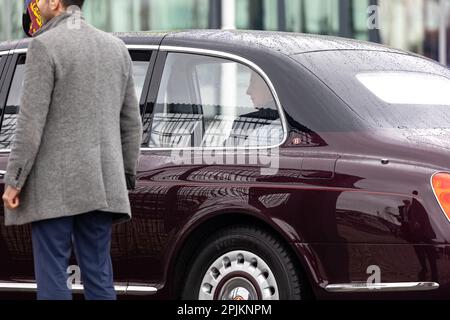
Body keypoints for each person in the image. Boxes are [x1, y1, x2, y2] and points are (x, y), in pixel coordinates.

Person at [2, 0, 143, 300]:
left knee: (53, 276)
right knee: (99, 276)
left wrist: (14, 180)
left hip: (55, 190)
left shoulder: (45, 46)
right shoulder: (116, 48)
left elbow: (29, 124)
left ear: (54, 2)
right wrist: (125, 175)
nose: (33, 5)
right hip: (102, 187)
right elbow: (132, 124)